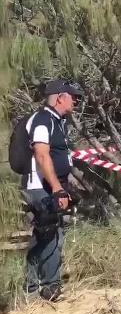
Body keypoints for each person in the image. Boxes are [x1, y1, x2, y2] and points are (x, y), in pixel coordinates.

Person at [20, 79, 83, 302]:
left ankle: (35, 287)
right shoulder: (43, 120)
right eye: (72, 96)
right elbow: (42, 154)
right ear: (59, 97)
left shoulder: (57, 122)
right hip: (40, 187)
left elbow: (57, 157)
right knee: (49, 232)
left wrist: (66, 185)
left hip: (50, 186)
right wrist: (57, 189)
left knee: (46, 233)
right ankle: (45, 287)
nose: (76, 100)